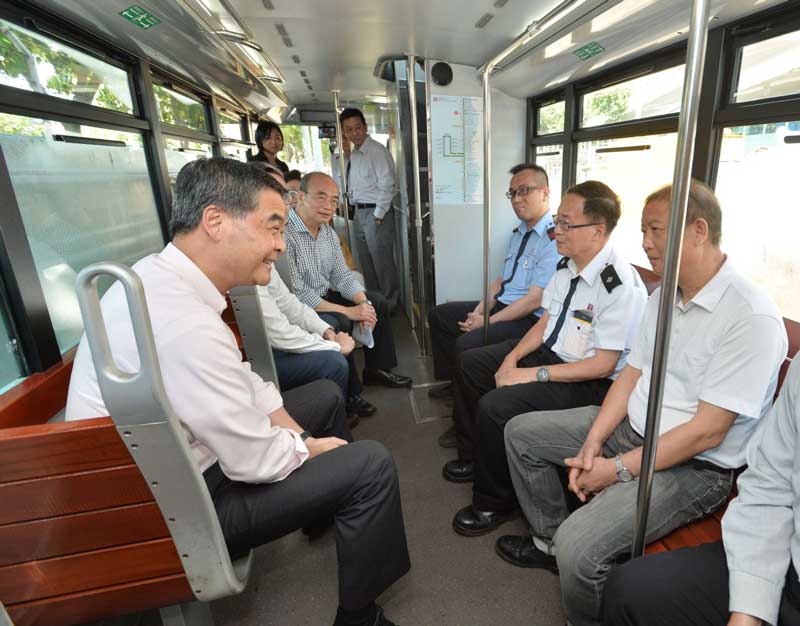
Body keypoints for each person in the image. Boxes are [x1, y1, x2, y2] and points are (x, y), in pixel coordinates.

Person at [65, 158, 409, 626]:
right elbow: (255, 461)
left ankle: (322, 508)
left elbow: (243, 380)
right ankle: (359, 617)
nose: (280, 245)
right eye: (271, 228)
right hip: (174, 506)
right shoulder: (181, 322)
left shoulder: (159, 277)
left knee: (325, 397)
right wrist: (306, 450)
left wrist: (297, 437)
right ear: (216, 222)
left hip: (172, 468)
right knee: (369, 465)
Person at [499, 181, 787, 626]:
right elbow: (633, 373)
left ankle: (578, 571)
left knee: (581, 546)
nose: (645, 243)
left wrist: (614, 470)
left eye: (655, 231)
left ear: (698, 230)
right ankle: (548, 542)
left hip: (695, 467)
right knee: (520, 434)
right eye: (643, 231)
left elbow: (707, 431)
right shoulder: (662, 297)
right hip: (632, 429)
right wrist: (595, 442)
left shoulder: (750, 318)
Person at [446, 181, 649, 535]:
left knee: (496, 406)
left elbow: (602, 364)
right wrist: (513, 359)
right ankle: (476, 455)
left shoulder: (619, 286)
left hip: (589, 382)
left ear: (597, 231)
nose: (557, 231)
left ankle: (494, 502)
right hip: (554, 358)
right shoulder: (567, 266)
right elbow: (545, 322)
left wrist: (530, 375)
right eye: (557, 221)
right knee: (472, 364)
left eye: (567, 224)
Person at [603, 353, 800, 626]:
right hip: (790, 562)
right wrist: (749, 610)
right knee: (628, 589)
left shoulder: (754, 322)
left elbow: (708, 432)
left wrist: (615, 468)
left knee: (580, 552)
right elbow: (771, 484)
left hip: (702, 467)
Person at [428, 163, 560, 448]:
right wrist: (479, 310)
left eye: (524, 191)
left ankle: (466, 423)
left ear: (545, 193)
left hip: (525, 318)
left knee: (467, 345)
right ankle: (456, 385)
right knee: (440, 315)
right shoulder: (519, 233)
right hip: (503, 305)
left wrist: (487, 323)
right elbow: (501, 283)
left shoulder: (553, 240)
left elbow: (534, 300)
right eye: (512, 193)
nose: (517, 199)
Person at [284, 171, 412, 389]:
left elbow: (341, 274)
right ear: (300, 197)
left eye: (334, 200)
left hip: (324, 296)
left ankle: (377, 369)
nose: (328, 205)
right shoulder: (285, 234)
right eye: (321, 196)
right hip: (299, 306)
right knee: (339, 321)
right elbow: (298, 293)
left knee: (376, 302)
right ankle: (351, 392)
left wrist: (362, 304)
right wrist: (348, 312)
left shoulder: (327, 233)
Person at [259, 264, 378, 420]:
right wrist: (334, 346)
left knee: (374, 304)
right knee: (335, 361)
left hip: (326, 297)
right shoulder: (251, 272)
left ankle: (367, 380)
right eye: (273, 237)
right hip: (264, 354)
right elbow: (278, 332)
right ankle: (338, 416)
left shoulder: (266, 264)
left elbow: (289, 304)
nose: (280, 245)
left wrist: (326, 331)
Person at [334, 108, 399, 311]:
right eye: (349, 130)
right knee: (366, 262)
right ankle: (376, 302)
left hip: (375, 213)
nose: (354, 133)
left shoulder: (376, 151)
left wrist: (378, 215)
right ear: (343, 132)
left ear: (365, 127)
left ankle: (389, 304)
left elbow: (388, 184)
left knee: (382, 262)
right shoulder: (353, 154)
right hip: (359, 213)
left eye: (357, 128)